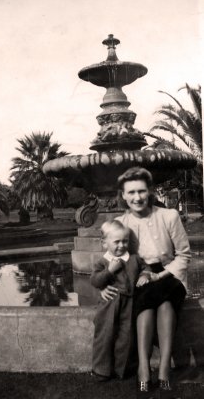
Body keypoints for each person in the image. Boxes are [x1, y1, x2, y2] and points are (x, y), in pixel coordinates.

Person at [101, 167, 191, 392]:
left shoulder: (168, 215)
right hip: (139, 277)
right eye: (131, 193)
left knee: (163, 298)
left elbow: (184, 255)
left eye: (141, 191)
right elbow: (111, 258)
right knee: (155, 303)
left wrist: (160, 275)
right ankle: (146, 367)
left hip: (169, 274)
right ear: (123, 195)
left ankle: (160, 369)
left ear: (150, 191)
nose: (137, 197)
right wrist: (105, 286)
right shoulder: (120, 223)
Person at [90, 220, 145, 381]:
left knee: (125, 337)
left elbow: (145, 268)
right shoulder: (102, 262)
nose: (121, 245)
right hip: (109, 305)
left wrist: (145, 275)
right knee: (104, 336)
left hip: (129, 304)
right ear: (104, 243)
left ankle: (122, 370)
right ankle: (101, 370)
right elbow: (95, 281)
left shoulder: (134, 259)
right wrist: (109, 272)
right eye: (116, 242)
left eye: (125, 241)